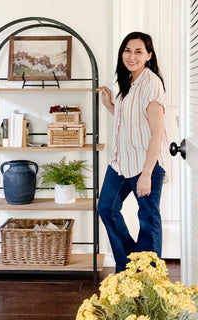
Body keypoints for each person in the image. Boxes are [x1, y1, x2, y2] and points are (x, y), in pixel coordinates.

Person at [97, 31, 168, 272]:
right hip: (120, 162)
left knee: (148, 219)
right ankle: (130, 266)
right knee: (106, 207)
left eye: (138, 51)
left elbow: (157, 132)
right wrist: (110, 106)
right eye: (127, 50)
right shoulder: (128, 83)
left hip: (143, 163)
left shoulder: (152, 83)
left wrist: (147, 173)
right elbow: (130, 121)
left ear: (149, 55)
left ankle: (148, 276)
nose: (131, 56)